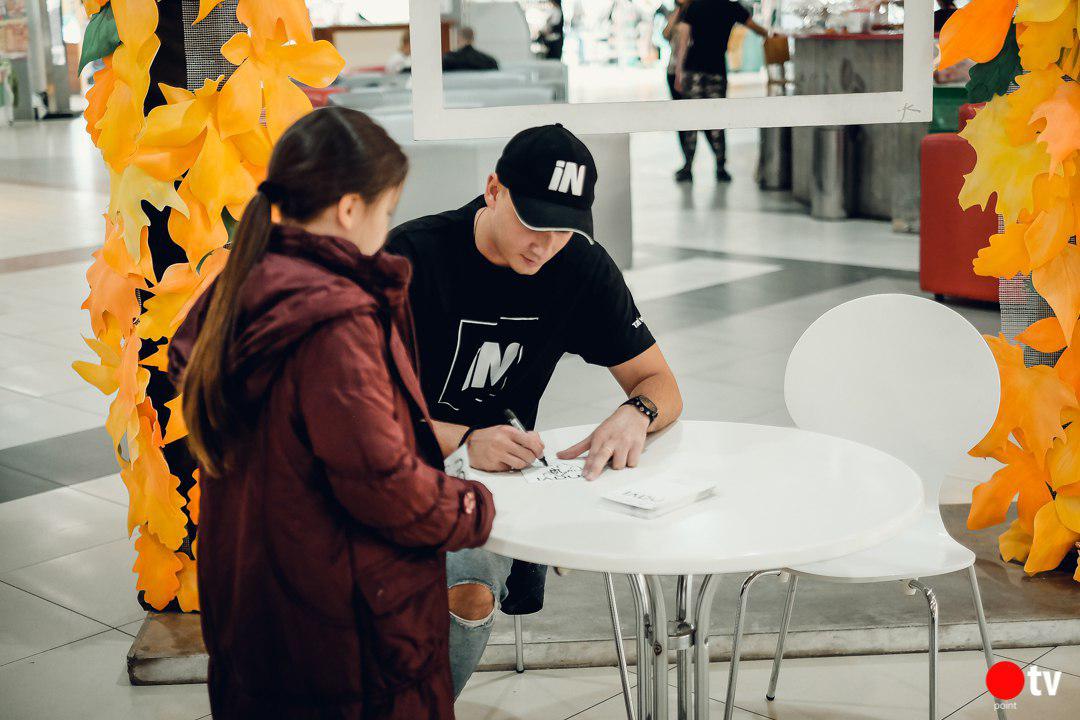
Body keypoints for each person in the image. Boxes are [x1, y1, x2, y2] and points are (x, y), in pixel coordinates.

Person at [169, 107, 495, 719]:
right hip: (346, 636)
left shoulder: (241, 285)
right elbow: (382, 483)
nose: (386, 228)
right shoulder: (334, 322)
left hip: (262, 606)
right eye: (386, 211)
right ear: (350, 209)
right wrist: (473, 508)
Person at [386, 123, 683, 695]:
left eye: (564, 229)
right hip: (393, 462)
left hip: (496, 482)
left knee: (466, 589)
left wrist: (636, 412)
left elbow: (661, 383)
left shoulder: (580, 268)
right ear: (493, 190)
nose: (544, 245)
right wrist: (464, 439)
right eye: (533, 221)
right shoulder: (413, 257)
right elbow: (356, 414)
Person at [673, 0, 771, 182]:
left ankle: (688, 167)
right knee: (717, 121)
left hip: (693, 69)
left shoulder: (695, 6)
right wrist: (770, 34)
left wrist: (679, 71)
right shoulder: (731, 7)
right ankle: (720, 168)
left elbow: (684, 39)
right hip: (717, 70)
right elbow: (756, 28)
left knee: (691, 120)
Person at [664, 0, 696, 181]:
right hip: (672, 70)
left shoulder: (696, 11)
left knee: (694, 120)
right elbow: (665, 34)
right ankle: (687, 161)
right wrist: (677, 11)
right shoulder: (676, 13)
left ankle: (719, 163)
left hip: (690, 72)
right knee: (680, 119)